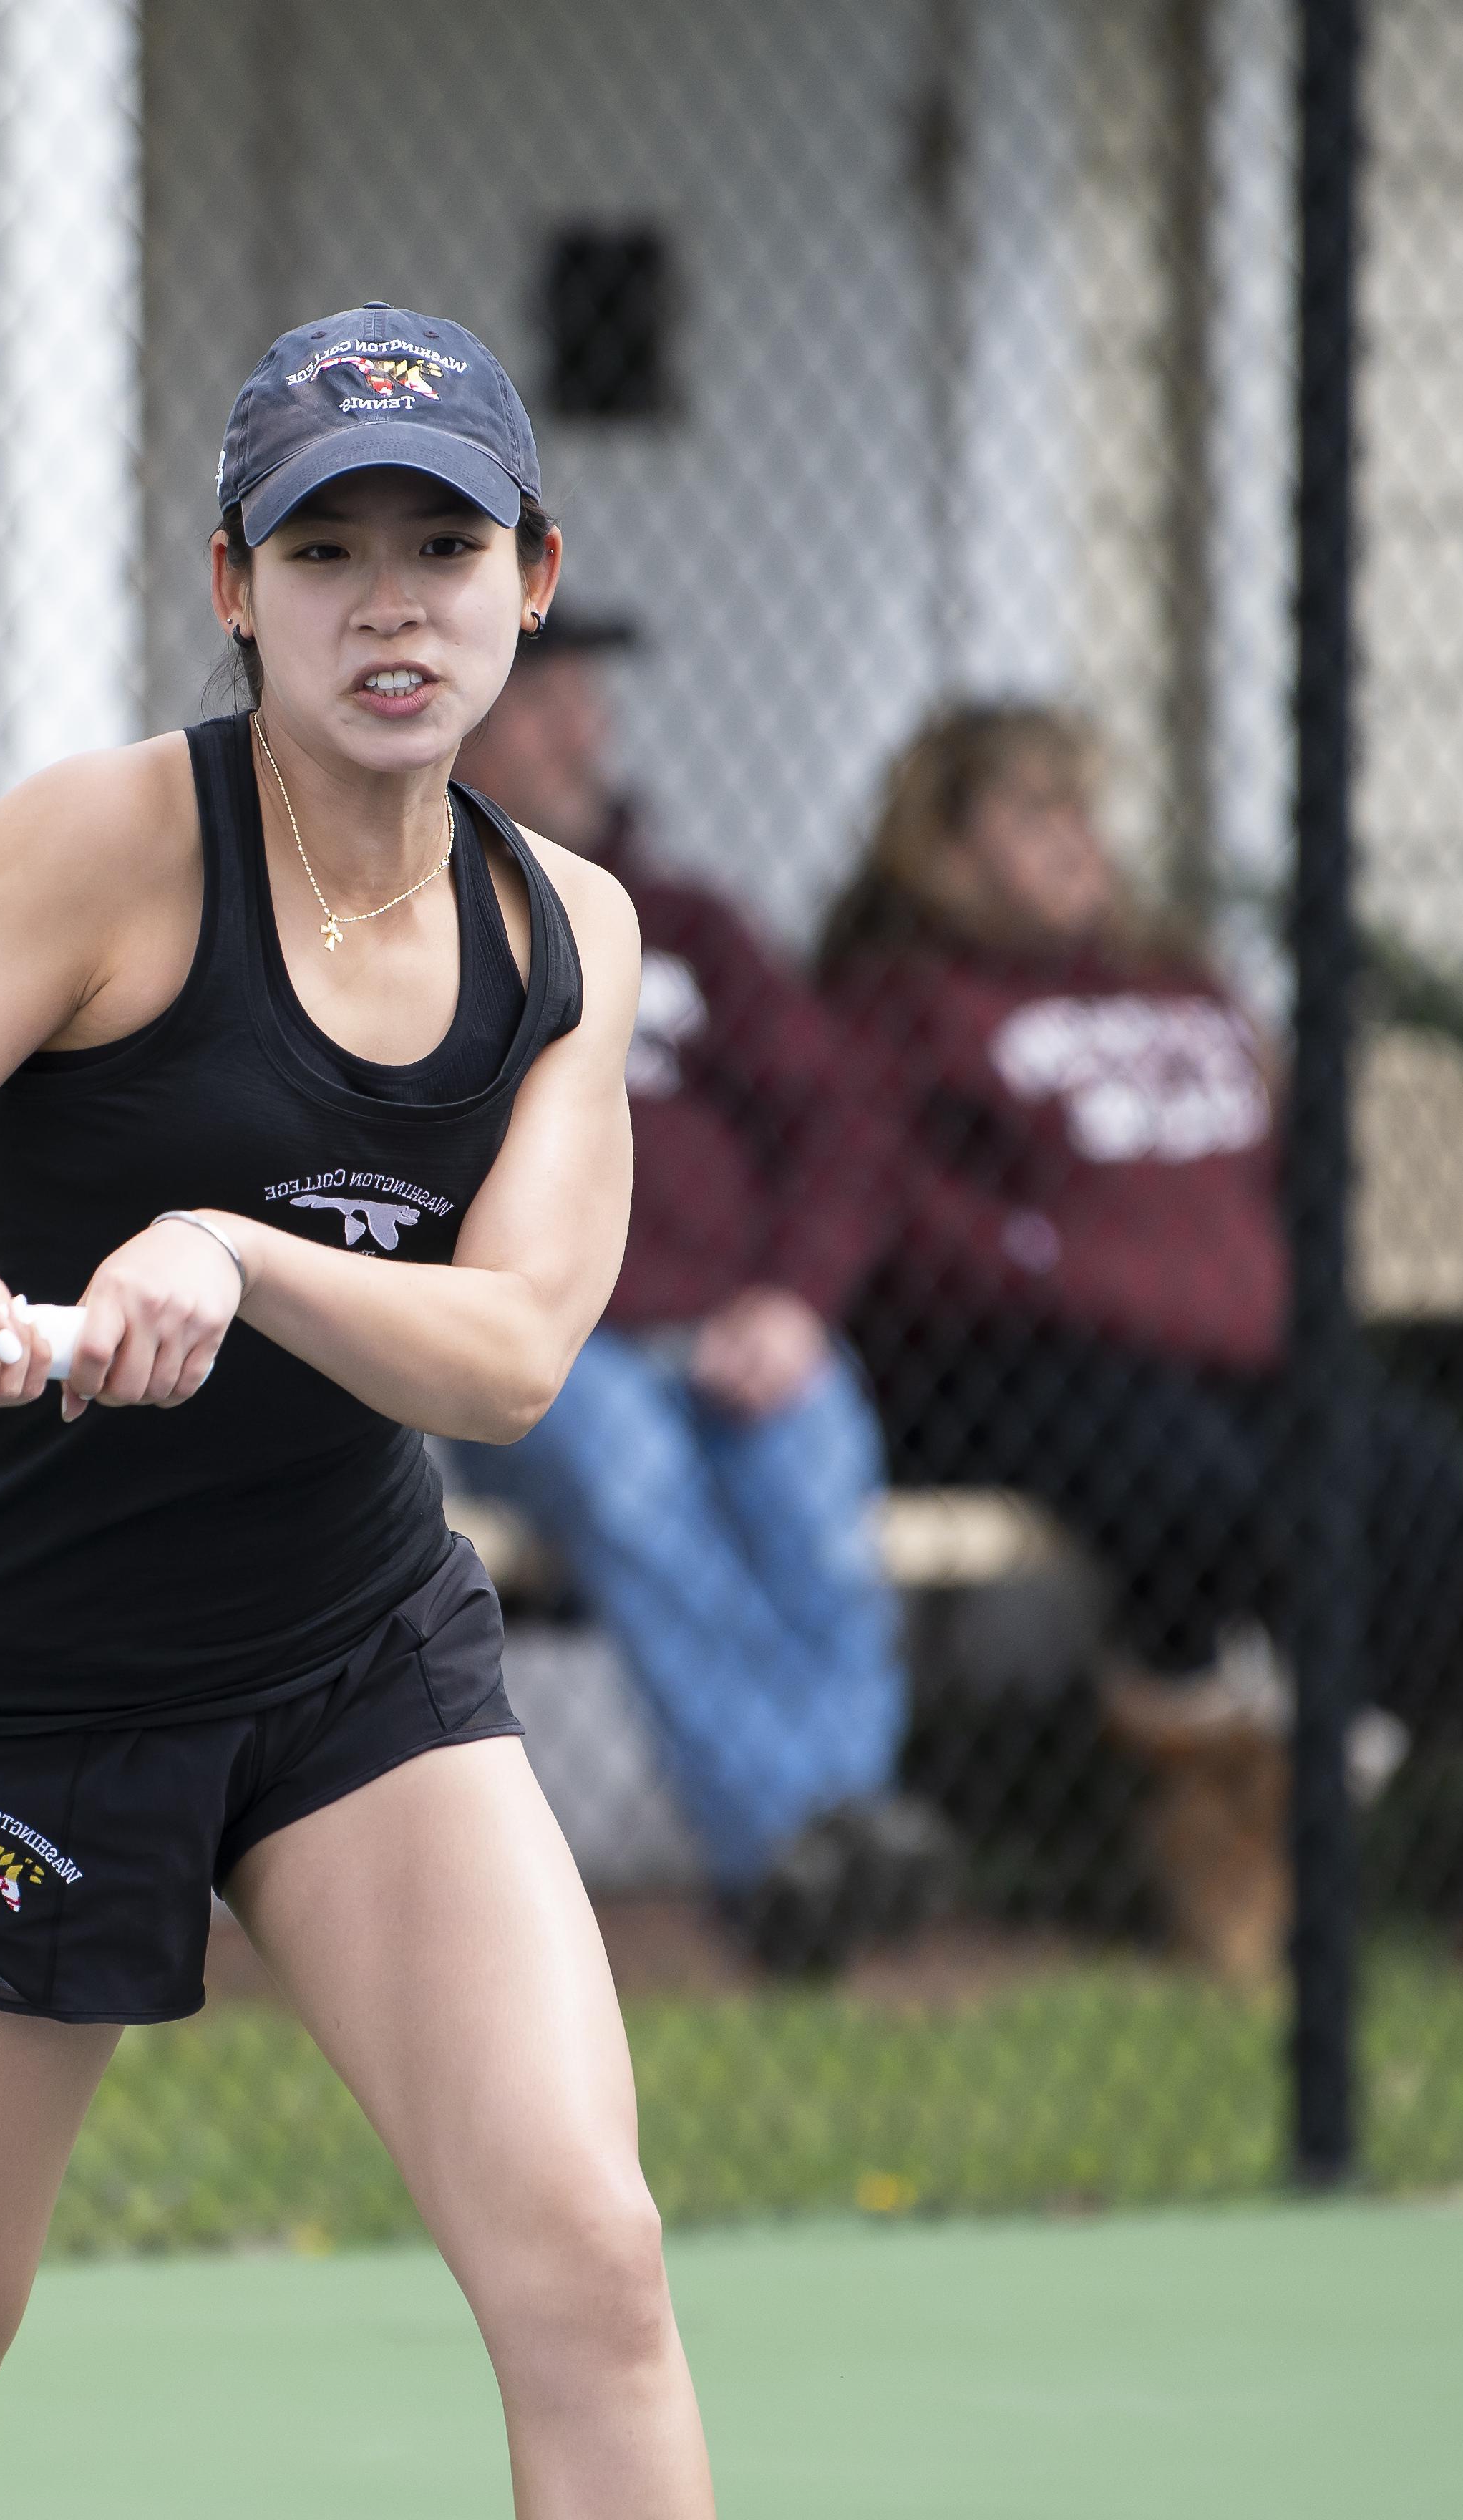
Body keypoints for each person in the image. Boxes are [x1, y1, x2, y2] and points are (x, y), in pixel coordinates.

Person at [0, 307, 710, 2517]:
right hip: (26, 1689)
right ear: (235, 587)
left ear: (524, 579)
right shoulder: (102, 848)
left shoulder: (564, 938)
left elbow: (516, 1347)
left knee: (592, 2276)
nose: (385, 604)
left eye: (437, 545)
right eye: (322, 550)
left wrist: (228, 1250)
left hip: (351, 1659)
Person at [810, 699, 1463, 1983]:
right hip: (1009, 1360)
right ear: (941, 845)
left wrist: (1250, 1285)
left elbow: (1284, 1174)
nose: (1075, 842)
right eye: (1033, 813)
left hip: (1230, 1350)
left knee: (1420, 1493)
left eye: (1084, 811)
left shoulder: (1177, 981)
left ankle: (1290, 1787)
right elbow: (895, 1214)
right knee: (1195, 1494)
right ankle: (1204, 1755)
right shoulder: (903, 1002)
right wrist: (1078, 1273)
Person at [448, 612, 953, 1971]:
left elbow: (841, 1129)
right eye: (542, 704)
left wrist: (791, 1299)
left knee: (813, 1493)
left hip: (733, 1331)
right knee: (634, 1488)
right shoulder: (415, 930)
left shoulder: (682, 928)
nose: (584, 733)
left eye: (582, 703)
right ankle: (803, 1841)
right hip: (541, 1344)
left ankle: (812, 1848)